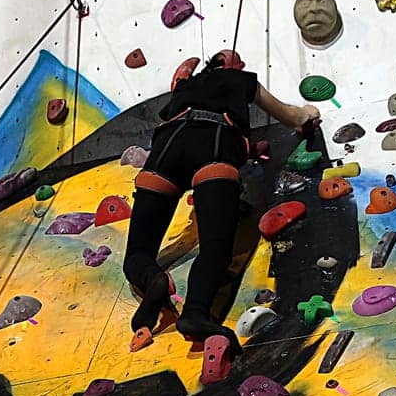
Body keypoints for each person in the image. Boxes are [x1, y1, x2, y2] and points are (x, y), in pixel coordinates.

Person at [122, 50, 320, 350]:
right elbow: (291, 117)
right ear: (236, 65)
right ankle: (195, 313)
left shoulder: (184, 87)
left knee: (138, 252)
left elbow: (180, 85)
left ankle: (152, 279)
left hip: (167, 146)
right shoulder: (242, 80)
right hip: (214, 144)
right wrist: (308, 116)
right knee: (215, 249)